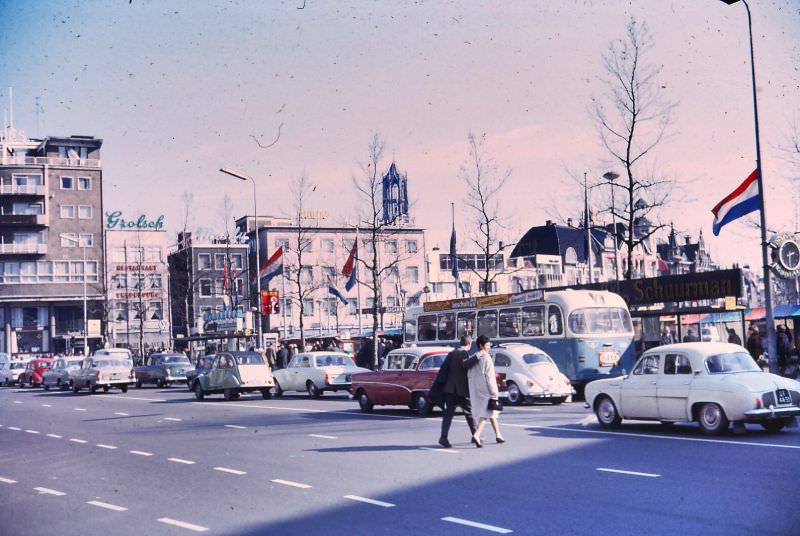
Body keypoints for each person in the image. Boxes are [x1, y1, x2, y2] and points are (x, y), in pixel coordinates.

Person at [437, 335, 478, 448]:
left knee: (448, 414)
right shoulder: (463, 353)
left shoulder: (453, 352)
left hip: (450, 389)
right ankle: (476, 435)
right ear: (469, 344)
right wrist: (477, 357)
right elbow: (465, 365)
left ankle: (443, 437)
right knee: (469, 413)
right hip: (460, 390)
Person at [467, 335, 504, 447]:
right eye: (487, 345)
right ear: (481, 345)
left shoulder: (474, 357)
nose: (489, 347)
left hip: (476, 389)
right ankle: (477, 435)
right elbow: (490, 377)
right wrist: (494, 392)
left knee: (491, 411)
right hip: (487, 389)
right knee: (486, 413)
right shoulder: (486, 358)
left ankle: (498, 434)